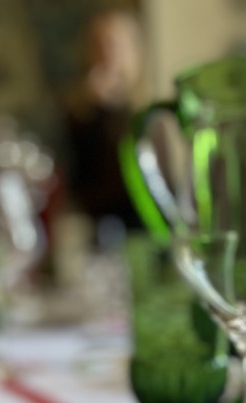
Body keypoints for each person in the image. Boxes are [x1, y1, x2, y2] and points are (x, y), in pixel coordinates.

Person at [62, 8, 146, 236]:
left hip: (143, 224)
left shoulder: (147, 110)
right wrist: (94, 112)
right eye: (100, 45)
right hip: (97, 228)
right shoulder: (77, 111)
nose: (108, 53)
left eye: (114, 44)